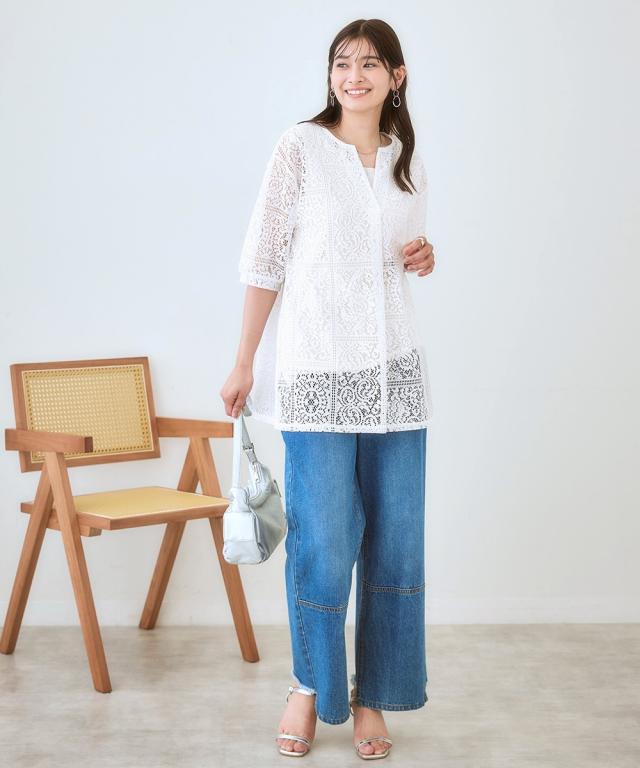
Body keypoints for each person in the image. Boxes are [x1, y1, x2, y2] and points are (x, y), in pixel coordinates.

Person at [220, 17, 436, 760]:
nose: (354, 76)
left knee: (397, 544)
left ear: (396, 77)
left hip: (395, 380)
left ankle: (375, 696)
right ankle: (309, 686)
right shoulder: (300, 148)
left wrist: (422, 254)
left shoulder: (407, 160)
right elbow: (264, 260)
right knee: (322, 542)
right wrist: (244, 361)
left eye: (370, 64)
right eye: (343, 63)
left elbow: (397, 253)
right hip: (317, 375)